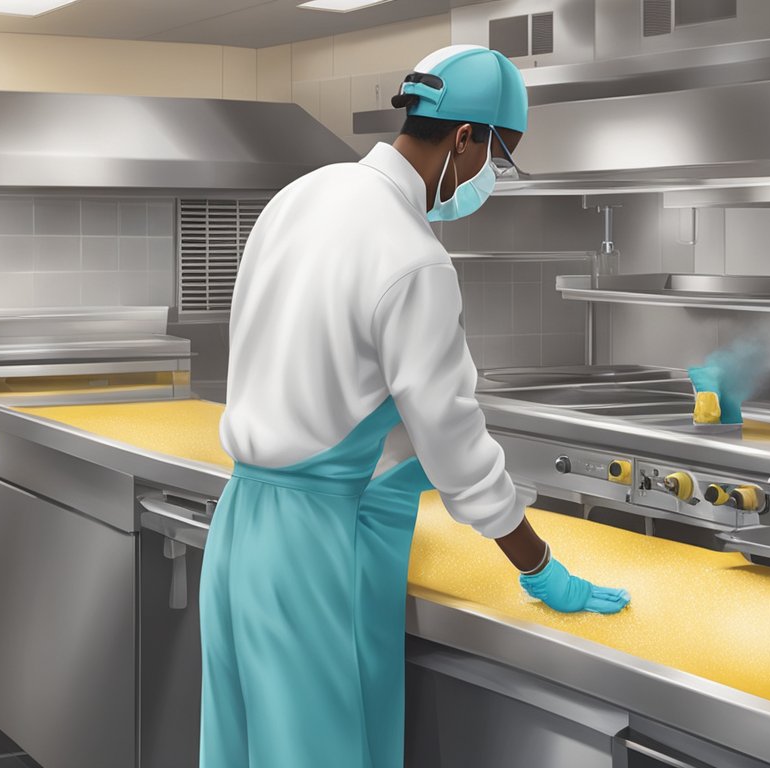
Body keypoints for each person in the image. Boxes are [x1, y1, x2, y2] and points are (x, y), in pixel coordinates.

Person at [200, 44, 630, 768]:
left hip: (239, 530)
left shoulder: (300, 196)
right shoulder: (412, 255)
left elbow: (291, 358)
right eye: (499, 158)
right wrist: (538, 565)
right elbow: (455, 444)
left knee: (240, 750)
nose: (489, 179)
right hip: (315, 551)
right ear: (463, 139)